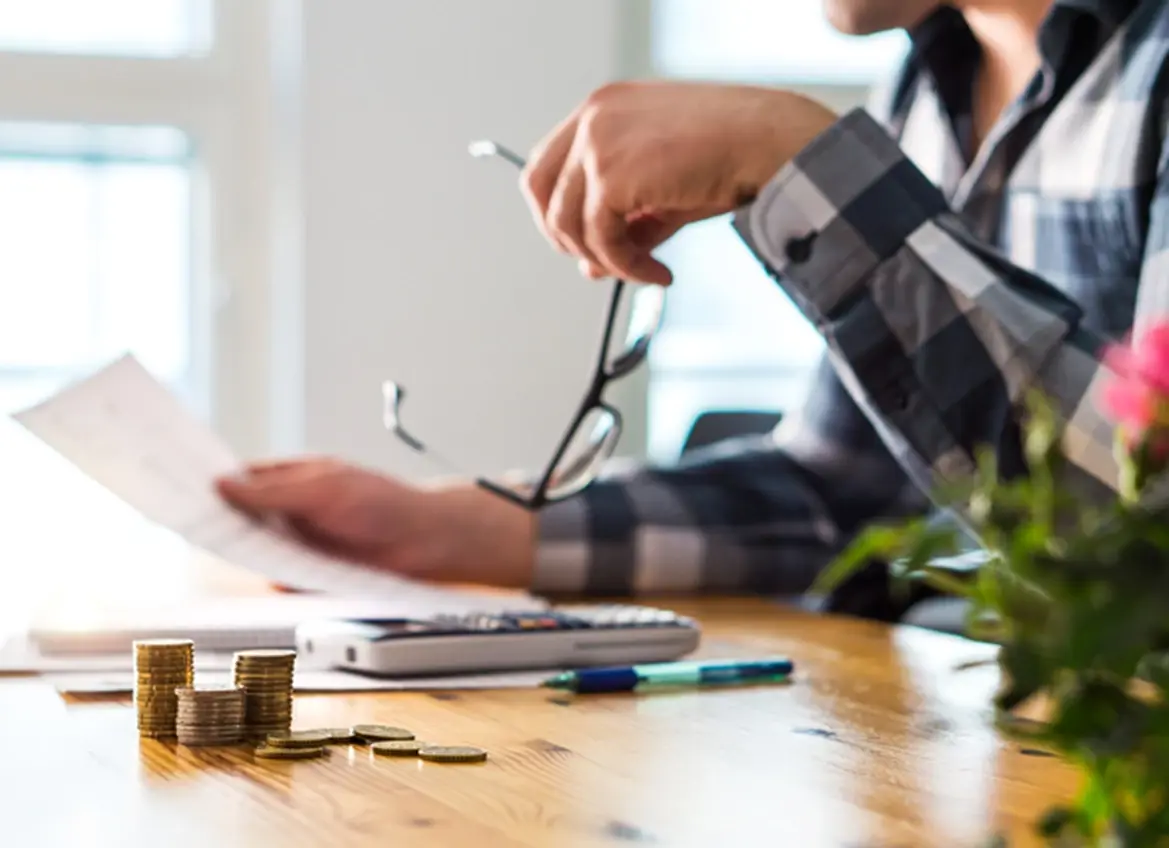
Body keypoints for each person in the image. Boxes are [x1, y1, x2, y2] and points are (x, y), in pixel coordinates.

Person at [217, 0, 1170, 607]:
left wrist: (801, 159)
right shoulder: (928, 88)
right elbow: (838, 497)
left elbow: (1145, 538)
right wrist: (446, 529)